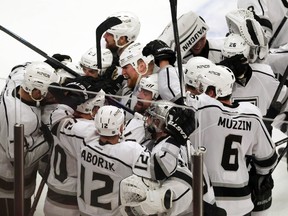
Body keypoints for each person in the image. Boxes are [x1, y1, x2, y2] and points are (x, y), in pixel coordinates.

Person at [185, 63, 277, 215]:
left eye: (203, 88)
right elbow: (268, 160)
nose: (199, 92)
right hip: (242, 204)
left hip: (209, 204)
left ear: (213, 91)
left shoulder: (202, 110)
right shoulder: (252, 114)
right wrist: (259, 174)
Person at [77, 104, 197, 215]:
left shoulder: (86, 143)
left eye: (151, 117)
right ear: (120, 128)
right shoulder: (129, 151)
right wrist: (176, 136)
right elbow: (160, 169)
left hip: (84, 211)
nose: (146, 120)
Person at [0, 61, 59, 216]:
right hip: (10, 187)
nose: (53, 96)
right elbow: (19, 160)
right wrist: (48, 137)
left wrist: (47, 66)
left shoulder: (17, 83)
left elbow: (18, 67)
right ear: (37, 92)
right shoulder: (20, 119)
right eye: (50, 92)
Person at [44, 83, 105, 216]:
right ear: (94, 108)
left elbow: (60, 112)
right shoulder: (88, 130)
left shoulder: (61, 118)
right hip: (72, 202)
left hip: (52, 196)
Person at [158, 10, 224, 64]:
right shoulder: (179, 58)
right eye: (193, 41)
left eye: (202, 39)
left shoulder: (222, 49)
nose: (197, 45)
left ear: (206, 33)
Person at [123, 73, 160, 144]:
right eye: (141, 91)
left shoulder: (159, 132)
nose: (139, 96)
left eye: (145, 93)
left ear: (156, 99)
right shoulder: (135, 122)